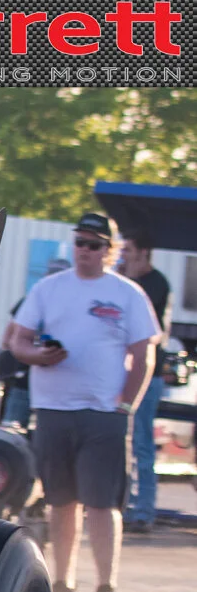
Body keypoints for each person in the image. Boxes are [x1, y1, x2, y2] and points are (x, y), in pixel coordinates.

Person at [6, 212, 158, 592]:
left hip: (103, 412)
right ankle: (63, 582)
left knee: (102, 503)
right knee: (61, 501)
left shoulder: (127, 293)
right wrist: (38, 355)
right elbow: (18, 341)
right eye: (80, 242)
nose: (85, 250)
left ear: (109, 250)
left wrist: (126, 404)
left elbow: (143, 353)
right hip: (54, 408)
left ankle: (106, 586)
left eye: (94, 244)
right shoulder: (49, 288)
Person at [118, 228, 172, 533]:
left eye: (127, 250)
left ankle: (143, 511)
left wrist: (125, 276)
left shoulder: (154, 284)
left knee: (141, 443)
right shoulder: (126, 280)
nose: (122, 255)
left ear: (143, 253)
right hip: (122, 370)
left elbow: (142, 328)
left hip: (147, 376)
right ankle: (124, 505)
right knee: (121, 441)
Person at [0, 258, 71, 427]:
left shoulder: (74, 305)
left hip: (58, 386)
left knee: (51, 434)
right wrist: (30, 352)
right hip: (24, 381)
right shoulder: (31, 300)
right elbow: (8, 339)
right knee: (12, 431)